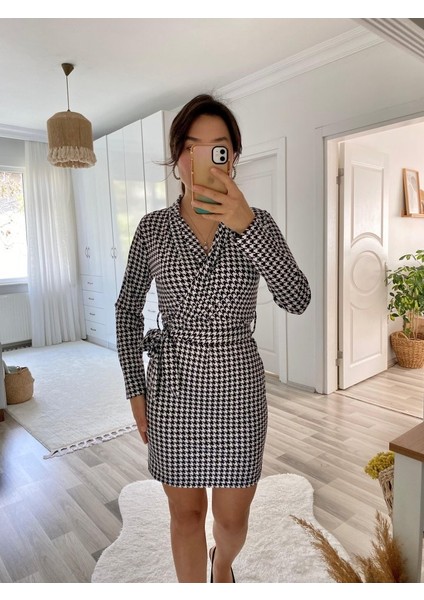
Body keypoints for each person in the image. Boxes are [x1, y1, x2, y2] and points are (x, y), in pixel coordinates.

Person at [115, 94, 311, 584]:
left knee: (232, 521)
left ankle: (221, 564)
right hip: (173, 388)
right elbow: (126, 309)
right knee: (184, 516)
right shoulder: (153, 228)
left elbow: (297, 298)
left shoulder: (257, 223)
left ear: (233, 157)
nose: (201, 158)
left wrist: (246, 227)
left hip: (237, 388)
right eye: (191, 147)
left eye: (217, 148)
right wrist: (135, 389)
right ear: (178, 157)